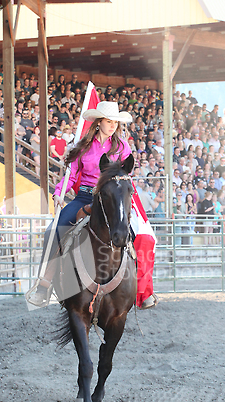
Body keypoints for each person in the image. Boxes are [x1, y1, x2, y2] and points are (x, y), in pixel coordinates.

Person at [30, 101, 157, 310]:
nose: (113, 126)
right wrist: (59, 193)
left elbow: (126, 175)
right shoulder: (83, 147)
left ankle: (140, 288)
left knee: (138, 233)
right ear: (99, 122)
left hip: (113, 199)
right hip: (85, 197)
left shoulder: (122, 146)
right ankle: (43, 286)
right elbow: (71, 176)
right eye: (109, 121)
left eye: (115, 122)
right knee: (52, 231)